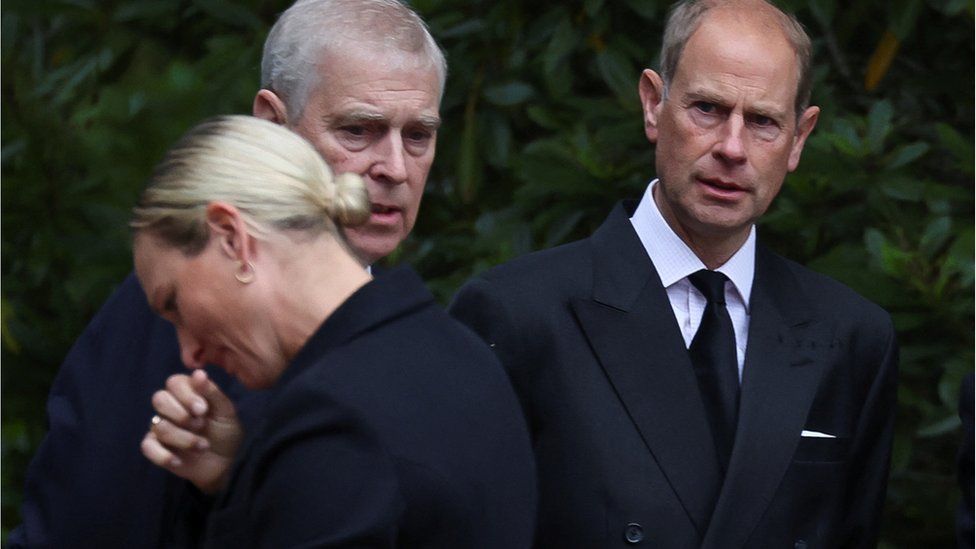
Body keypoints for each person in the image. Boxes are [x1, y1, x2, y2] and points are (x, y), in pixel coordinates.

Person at [449, 0, 899, 547]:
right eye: (707, 108)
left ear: (799, 138)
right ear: (652, 104)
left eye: (762, 121)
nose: (732, 148)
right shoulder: (518, 315)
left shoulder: (851, 339)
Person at [10, 1, 451, 546]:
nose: (395, 168)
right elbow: (88, 521)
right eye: (358, 130)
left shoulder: (434, 343)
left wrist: (232, 477)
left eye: (418, 136)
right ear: (272, 123)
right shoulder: (183, 308)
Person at [127, 114, 535, 547]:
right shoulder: (460, 354)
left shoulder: (335, 419)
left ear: (231, 238)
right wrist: (234, 479)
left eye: (175, 305)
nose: (189, 353)